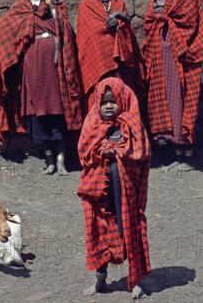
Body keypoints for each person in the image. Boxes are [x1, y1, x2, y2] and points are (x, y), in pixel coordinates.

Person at [0, 0, 83, 174]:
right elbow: (1, 30)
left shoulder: (58, 7)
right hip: (33, 69)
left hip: (57, 70)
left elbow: (65, 30)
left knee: (59, 111)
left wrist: (51, 9)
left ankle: (62, 159)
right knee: (37, 114)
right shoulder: (23, 7)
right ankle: (49, 160)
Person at [76, 77, 151, 299]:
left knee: (130, 230)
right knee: (99, 231)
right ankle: (100, 280)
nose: (108, 106)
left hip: (126, 193)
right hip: (99, 195)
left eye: (113, 101)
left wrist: (118, 152)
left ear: (123, 100)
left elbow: (141, 153)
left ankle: (135, 281)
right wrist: (102, 151)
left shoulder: (132, 124)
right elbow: (84, 153)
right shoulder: (92, 123)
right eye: (104, 102)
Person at [142, 0, 203, 163]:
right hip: (160, 58)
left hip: (181, 58)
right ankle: (175, 152)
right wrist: (157, 16)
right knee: (164, 100)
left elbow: (190, 22)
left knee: (183, 102)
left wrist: (164, 15)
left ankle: (187, 151)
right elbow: (149, 20)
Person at [76, 0, 146, 114]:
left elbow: (128, 33)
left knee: (120, 96)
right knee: (100, 99)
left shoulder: (119, 3)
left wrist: (119, 25)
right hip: (98, 64)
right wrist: (108, 26)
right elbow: (88, 35)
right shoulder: (85, 5)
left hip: (120, 64)